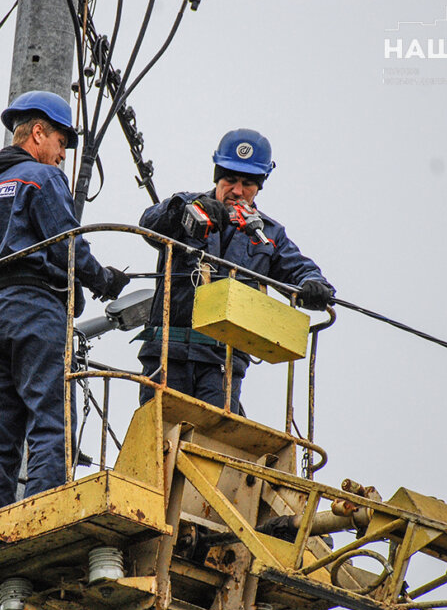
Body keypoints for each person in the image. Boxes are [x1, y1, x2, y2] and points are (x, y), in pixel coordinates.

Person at [0, 90, 129, 517]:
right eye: (61, 143)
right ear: (37, 133)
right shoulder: (41, 177)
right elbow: (67, 244)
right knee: (52, 422)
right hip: (36, 312)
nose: (63, 155)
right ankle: (43, 519)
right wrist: (103, 279)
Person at [135, 128, 334, 414]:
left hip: (221, 362)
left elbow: (299, 269)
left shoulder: (268, 234)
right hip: (168, 354)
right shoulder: (187, 207)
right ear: (217, 175)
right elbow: (148, 224)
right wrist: (187, 208)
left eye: (248, 183)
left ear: (260, 186)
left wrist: (314, 285)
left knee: (212, 441)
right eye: (230, 180)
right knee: (160, 435)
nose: (237, 191)